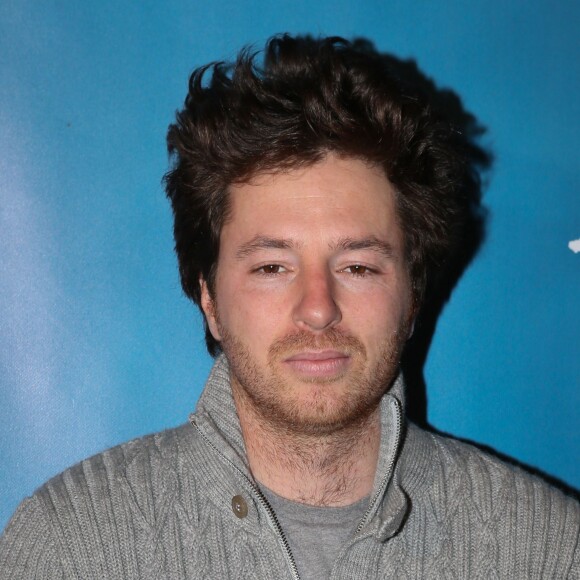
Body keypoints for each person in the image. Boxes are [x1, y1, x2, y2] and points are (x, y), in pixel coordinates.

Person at [1, 34, 578, 579]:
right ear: (208, 296)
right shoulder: (71, 546)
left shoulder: (544, 549)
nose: (319, 309)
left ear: (412, 298)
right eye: (271, 267)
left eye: (358, 266)